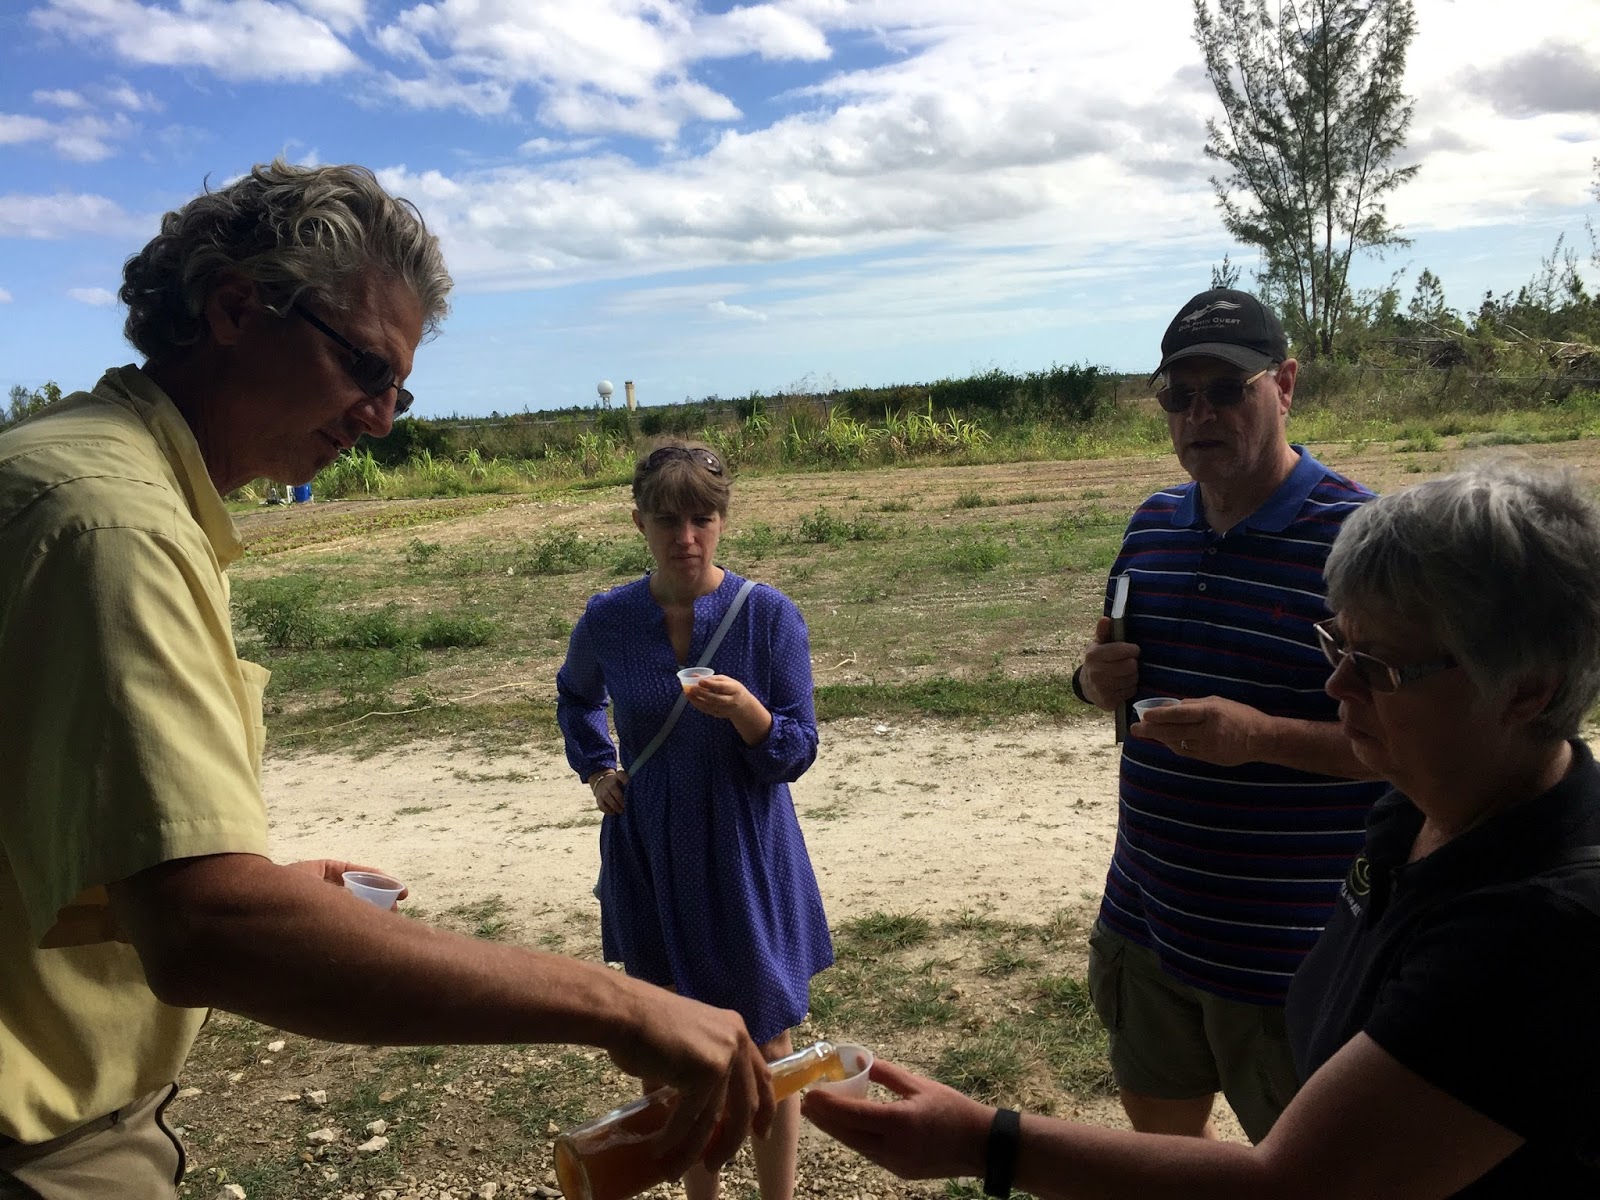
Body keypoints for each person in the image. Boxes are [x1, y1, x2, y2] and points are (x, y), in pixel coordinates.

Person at [0, 163, 772, 1200]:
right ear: (235, 307)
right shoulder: (116, 526)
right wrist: (626, 1007)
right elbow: (204, 932)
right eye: (367, 366)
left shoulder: (61, 471)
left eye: (401, 387)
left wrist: (243, 886)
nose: (383, 417)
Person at [805, 458, 1600, 1197]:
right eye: (1338, 644)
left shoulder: (1540, 931)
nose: (1336, 683)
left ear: (1527, 689)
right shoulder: (1419, 808)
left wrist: (987, 1141)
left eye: (1380, 667)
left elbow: (1294, 1186)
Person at [1071, 288, 1385, 1141]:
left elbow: (1413, 748)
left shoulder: (1360, 541)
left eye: (1226, 389)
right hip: (1146, 917)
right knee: (1166, 1159)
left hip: (1293, 952)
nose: (1198, 413)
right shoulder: (1150, 530)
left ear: (1285, 384)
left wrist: (1261, 740)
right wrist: (1091, 684)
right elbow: (1114, 683)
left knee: (1310, 1176)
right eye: (1179, 395)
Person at [557, 440, 832, 1200]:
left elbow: (796, 750)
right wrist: (597, 767)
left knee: (768, 1041)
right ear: (638, 520)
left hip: (744, 848)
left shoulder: (768, 616)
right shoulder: (610, 619)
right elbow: (574, 696)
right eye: (669, 519)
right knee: (667, 1049)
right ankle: (700, 1194)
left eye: (703, 518)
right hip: (648, 850)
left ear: (722, 521)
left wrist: (750, 713)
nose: (686, 537)